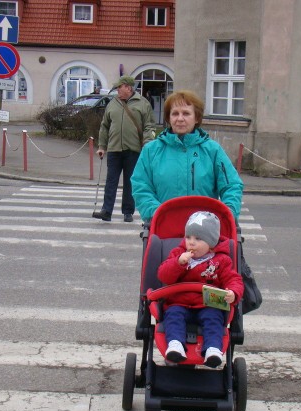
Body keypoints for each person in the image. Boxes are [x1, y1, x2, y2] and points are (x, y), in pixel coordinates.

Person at [131, 90, 243, 224]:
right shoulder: (151, 151)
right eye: (175, 114)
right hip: (165, 226)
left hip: (204, 231)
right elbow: (141, 186)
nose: (180, 119)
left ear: (196, 118)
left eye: (186, 113)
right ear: (168, 118)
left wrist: (227, 213)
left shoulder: (213, 150)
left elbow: (232, 185)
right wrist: (157, 212)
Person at [157, 211, 244, 367]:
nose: (191, 243)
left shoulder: (221, 260)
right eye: (188, 237)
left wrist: (233, 292)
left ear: (211, 243)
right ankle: (176, 345)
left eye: (198, 239)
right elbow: (164, 275)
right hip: (179, 302)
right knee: (173, 316)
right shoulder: (178, 254)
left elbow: (233, 279)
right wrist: (179, 263)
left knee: (214, 319)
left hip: (207, 304)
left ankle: (212, 349)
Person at [93, 76, 156, 222]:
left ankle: (128, 211)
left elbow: (149, 126)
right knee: (111, 181)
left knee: (130, 182)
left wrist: (147, 142)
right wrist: (102, 146)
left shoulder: (142, 103)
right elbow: (105, 126)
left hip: (133, 149)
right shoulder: (112, 103)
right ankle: (106, 210)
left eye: (119, 88)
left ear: (128, 87)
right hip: (114, 148)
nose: (117, 91)